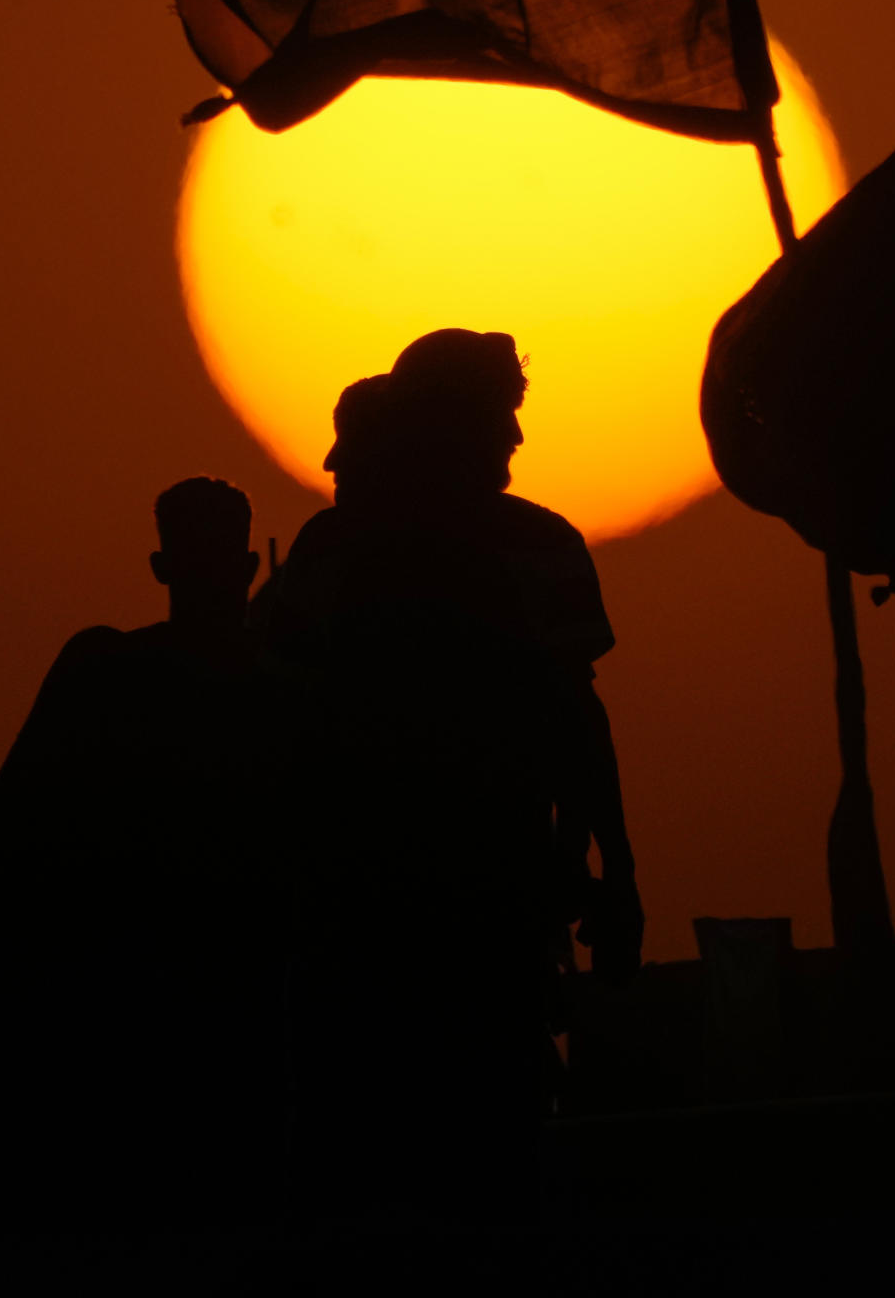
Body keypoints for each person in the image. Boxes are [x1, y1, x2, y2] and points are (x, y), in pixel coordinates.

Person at [264, 330, 638, 1227]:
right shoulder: (504, 550)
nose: (514, 438)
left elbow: (573, 718)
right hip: (401, 907)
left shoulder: (344, 551)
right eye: (500, 416)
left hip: (450, 905)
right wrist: (614, 868)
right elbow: (574, 719)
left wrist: (612, 867)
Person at [0, 477, 287, 1218]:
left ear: (162, 567)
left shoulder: (103, 670)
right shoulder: (282, 691)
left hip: (127, 1013)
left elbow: (14, 821)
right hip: (219, 1012)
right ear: (249, 567)